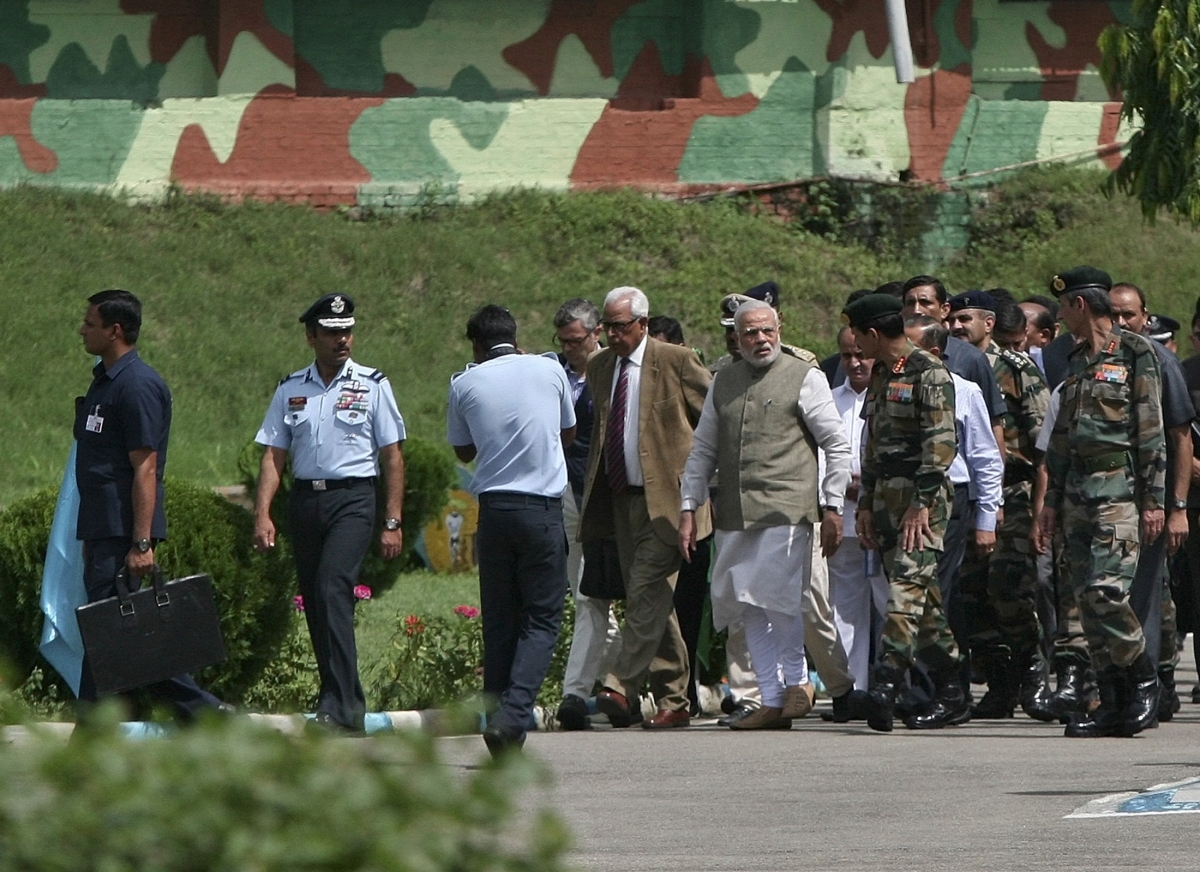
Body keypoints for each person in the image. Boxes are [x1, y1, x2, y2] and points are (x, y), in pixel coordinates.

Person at [679, 301, 852, 729]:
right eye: (750, 333)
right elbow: (703, 450)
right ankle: (770, 699)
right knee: (745, 602)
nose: (760, 340)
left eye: (767, 331)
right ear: (736, 339)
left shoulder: (805, 376)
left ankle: (796, 684)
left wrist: (833, 504)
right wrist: (688, 507)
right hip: (735, 512)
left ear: (779, 329)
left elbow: (836, 444)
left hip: (787, 509)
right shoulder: (724, 380)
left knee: (778, 599)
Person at [253, 293, 406, 736]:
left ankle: (337, 704)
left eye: (347, 331)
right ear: (311, 336)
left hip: (353, 499)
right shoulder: (291, 388)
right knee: (315, 599)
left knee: (331, 587)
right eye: (332, 332)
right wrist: (262, 513)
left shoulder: (373, 384)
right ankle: (345, 703)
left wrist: (392, 520)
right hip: (306, 501)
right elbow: (274, 455)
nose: (343, 340)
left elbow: (392, 456)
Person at [75, 289, 228, 720]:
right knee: (116, 633)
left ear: (115, 330)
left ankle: (204, 714)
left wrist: (141, 542)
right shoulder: (105, 381)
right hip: (102, 527)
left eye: (90, 323)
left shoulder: (138, 385)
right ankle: (119, 725)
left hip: (122, 529)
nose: (82, 330)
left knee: (117, 632)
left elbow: (145, 468)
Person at [1039, 266, 1166, 738]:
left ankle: (1143, 679)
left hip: (1119, 492)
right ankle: (1111, 699)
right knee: (1085, 604)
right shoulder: (1074, 360)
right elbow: (1061, 438)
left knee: (1105, 593)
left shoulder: (1136, 353)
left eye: (1063, 306)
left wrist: (1155, 502)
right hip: (1076, 494)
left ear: (1080, 305)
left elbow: (1151, 431)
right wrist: (1051, 501)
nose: (1060, 316)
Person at [581, 286, 712, 730]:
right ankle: (674, 700)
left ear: (643, 324)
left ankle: (620, 685)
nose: (611, 334)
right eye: (607, 326)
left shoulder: (676, 361)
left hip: (671, 504)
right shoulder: (601, 366)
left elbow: (713, 420)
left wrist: (701, 487)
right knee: (653, 600)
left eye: (620, 326)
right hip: (621, 500)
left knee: (644, 589)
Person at [447, 305, 576, 756]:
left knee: (500, 622)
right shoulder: (550, 369)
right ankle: (513, 714)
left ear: (476, 346)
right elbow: (568, 432)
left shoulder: (464, 383)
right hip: (541, 510)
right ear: (516, 338)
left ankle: (501, 731)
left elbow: (463, 451)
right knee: (541, 619)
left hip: (494, 511)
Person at [845, 293, 962, 732]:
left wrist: (920, 504)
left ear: (874, 334)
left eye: (858, 336)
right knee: (922, 606)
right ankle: (952, 688)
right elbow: (873, 445)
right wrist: (867, 504)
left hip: (922, 500)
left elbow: (940, 445)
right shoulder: (883, 372)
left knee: (903, 594)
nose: (856, 347)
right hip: (887, 499)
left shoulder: (928, 371)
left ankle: (886, 686)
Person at [948, 291, 1052, 719]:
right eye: (953, 319)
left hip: (1014, 494)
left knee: (1010, 589)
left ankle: (1032, 676)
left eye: (966, 319)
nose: (957, 326)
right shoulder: (946, 364)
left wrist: (1041, 509)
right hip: (966, 495)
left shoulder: (1015, 368)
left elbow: (1044, 445)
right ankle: (998, 681)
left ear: (989, 323)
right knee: (971, 593)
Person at [904, 315, 1003, 724]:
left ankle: (946, 691)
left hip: (950, 501)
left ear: (933, 352)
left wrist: (986, 519)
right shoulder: (894, 390)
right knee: (910, 595)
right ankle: (920, 690)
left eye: (910, 348)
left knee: (936, 595)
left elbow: (985, 458)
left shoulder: (963, 391)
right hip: (903, 500)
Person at [1108, 283, 1192, 720]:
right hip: (1103, 502)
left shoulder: (1160, 361)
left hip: (1149, 502)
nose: (1122, 323)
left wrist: (1177, 508)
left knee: (1144, 596)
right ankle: (1115, 690)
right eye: (1114, 314)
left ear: (1145, 316)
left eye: (1130, 315)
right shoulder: (1095, 358)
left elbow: (1180, 438)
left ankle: (1150, 691)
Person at [551, 298, 623, 731]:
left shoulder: (615, 371)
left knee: (591, 596)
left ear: (596, 334)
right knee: (587, 598)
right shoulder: (552, 372)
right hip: (566, 495)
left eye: (575, 341)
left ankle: (574, 694)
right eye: (562, 341)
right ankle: (627, 685)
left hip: (605, 498)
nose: (568, 349)